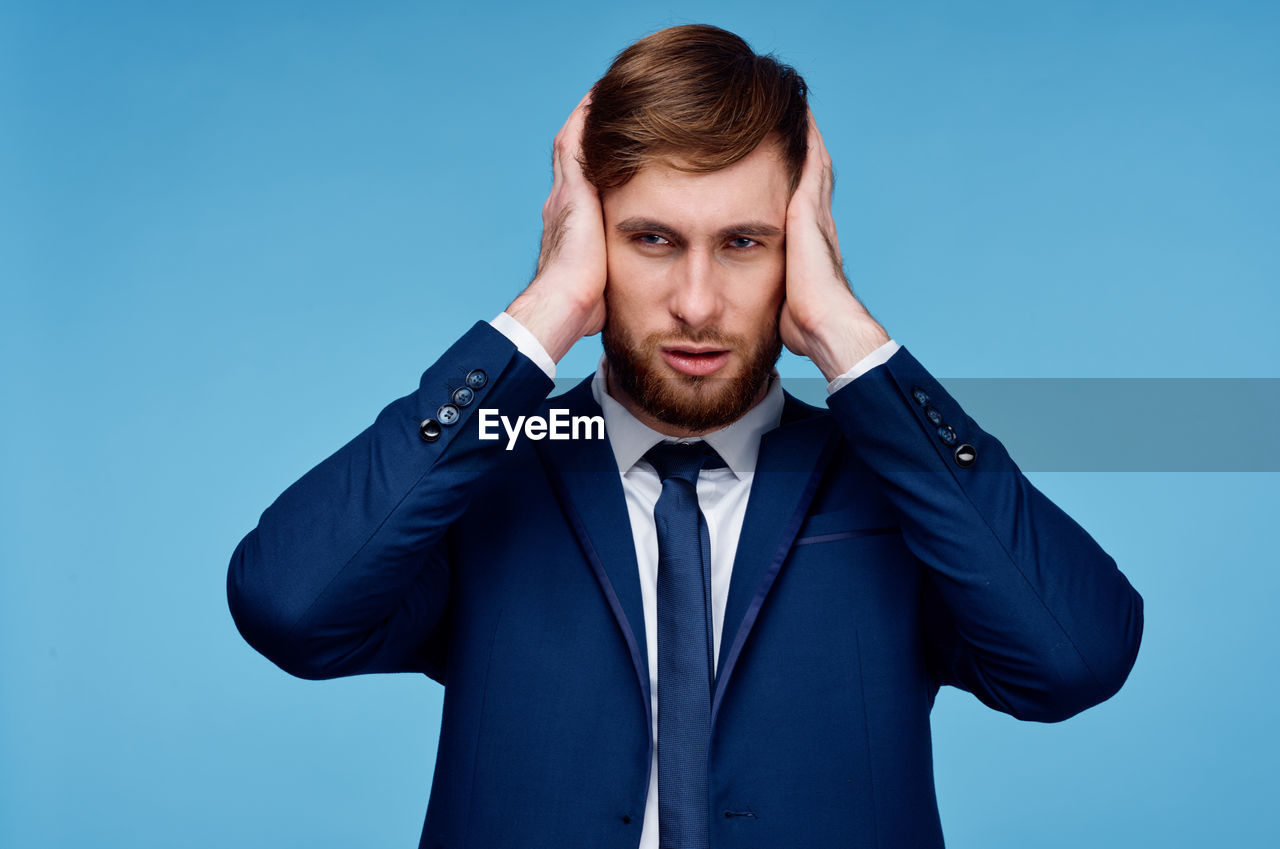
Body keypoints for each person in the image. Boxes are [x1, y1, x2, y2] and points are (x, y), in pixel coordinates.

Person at [227, 24, 1143, 848]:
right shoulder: (491, 472)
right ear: (589, 243)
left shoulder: (894, 489)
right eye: (653, 240)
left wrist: (851, 340)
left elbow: (1076, 659)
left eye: (745, 243)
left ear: (802, 246)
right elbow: (290, 608)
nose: (698, 305)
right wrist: (544, 310)